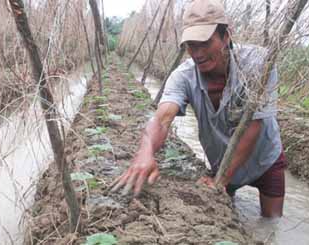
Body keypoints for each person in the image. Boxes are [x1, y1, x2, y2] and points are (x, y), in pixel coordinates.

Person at [111, 0, 287, 218]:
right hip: (222, 160)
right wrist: (145, 152)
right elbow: (162, 118)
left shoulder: (258, 63)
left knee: (271, 222)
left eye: (204, 43)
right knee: (223, 211)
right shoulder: (183, 76)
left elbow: (253, 127)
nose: (197, 53)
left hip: (264, 158)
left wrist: (220, 179)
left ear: (226, 36)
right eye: (191, 45)